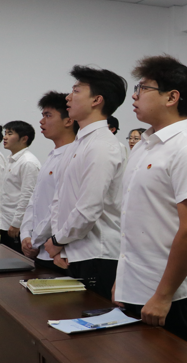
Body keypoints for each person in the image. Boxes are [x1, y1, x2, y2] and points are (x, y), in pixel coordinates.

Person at [113, 54, 187, 347]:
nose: (134, 96)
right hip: (138, 283)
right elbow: (136, 220)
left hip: (174, 294)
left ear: (172, 97)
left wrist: (163, 295)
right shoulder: (144, 146)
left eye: (143, 88)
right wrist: (123, 280)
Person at [45, 66, 126, 300]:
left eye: (76, 91)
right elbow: (61, 198)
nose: (68, 97)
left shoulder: (103, 145)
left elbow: (89, 207)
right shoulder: (78, 143)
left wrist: (58, 241)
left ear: (96, 100)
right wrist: (60, 244)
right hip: (74, 250)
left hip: (98, 253)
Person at [21, 92, 77, 272]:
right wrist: (25, 235)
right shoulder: (52, 155)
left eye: (48, 115)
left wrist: (35, 241)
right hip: (40, 249)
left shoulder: (73, 156)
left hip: (58, 251)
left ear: (68, 120)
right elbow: (35, 200)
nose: (41, 121)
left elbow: (59, 207)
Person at [0, 121, 41, 253]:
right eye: (5, 133)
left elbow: (28, 196)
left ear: (24, 139)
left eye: (10, 134)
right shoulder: (11, 160)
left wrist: (17, 223)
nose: (5, 137)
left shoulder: (28, 162)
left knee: (15, 260)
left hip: (18, 226)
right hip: (6, 222)